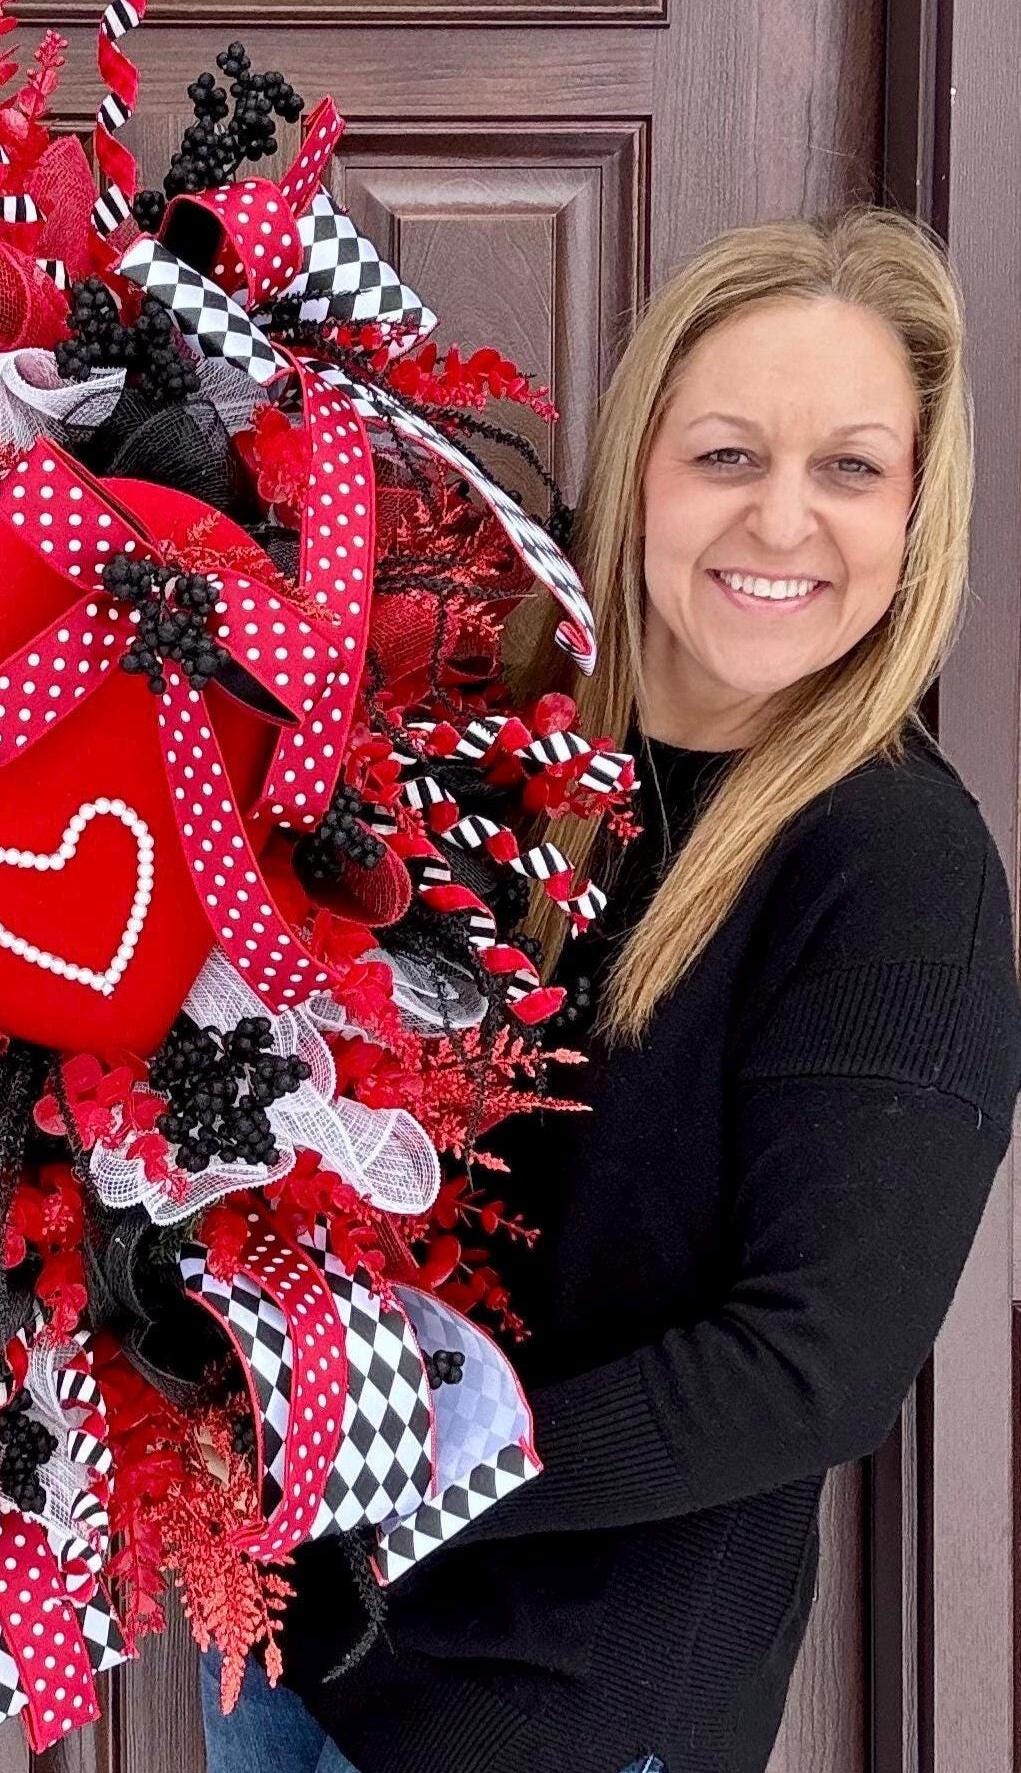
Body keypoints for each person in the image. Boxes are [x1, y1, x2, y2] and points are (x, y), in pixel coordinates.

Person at [200, 207, 1021, 1773]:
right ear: (642, 462)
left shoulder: (895, 869)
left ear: (913, 513)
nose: (782, 521)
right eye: (727, 454)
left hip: (560, 1719)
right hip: (297, 1658)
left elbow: (809, 1367)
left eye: (846, 467)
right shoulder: (508, 758)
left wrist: (398, 1474)